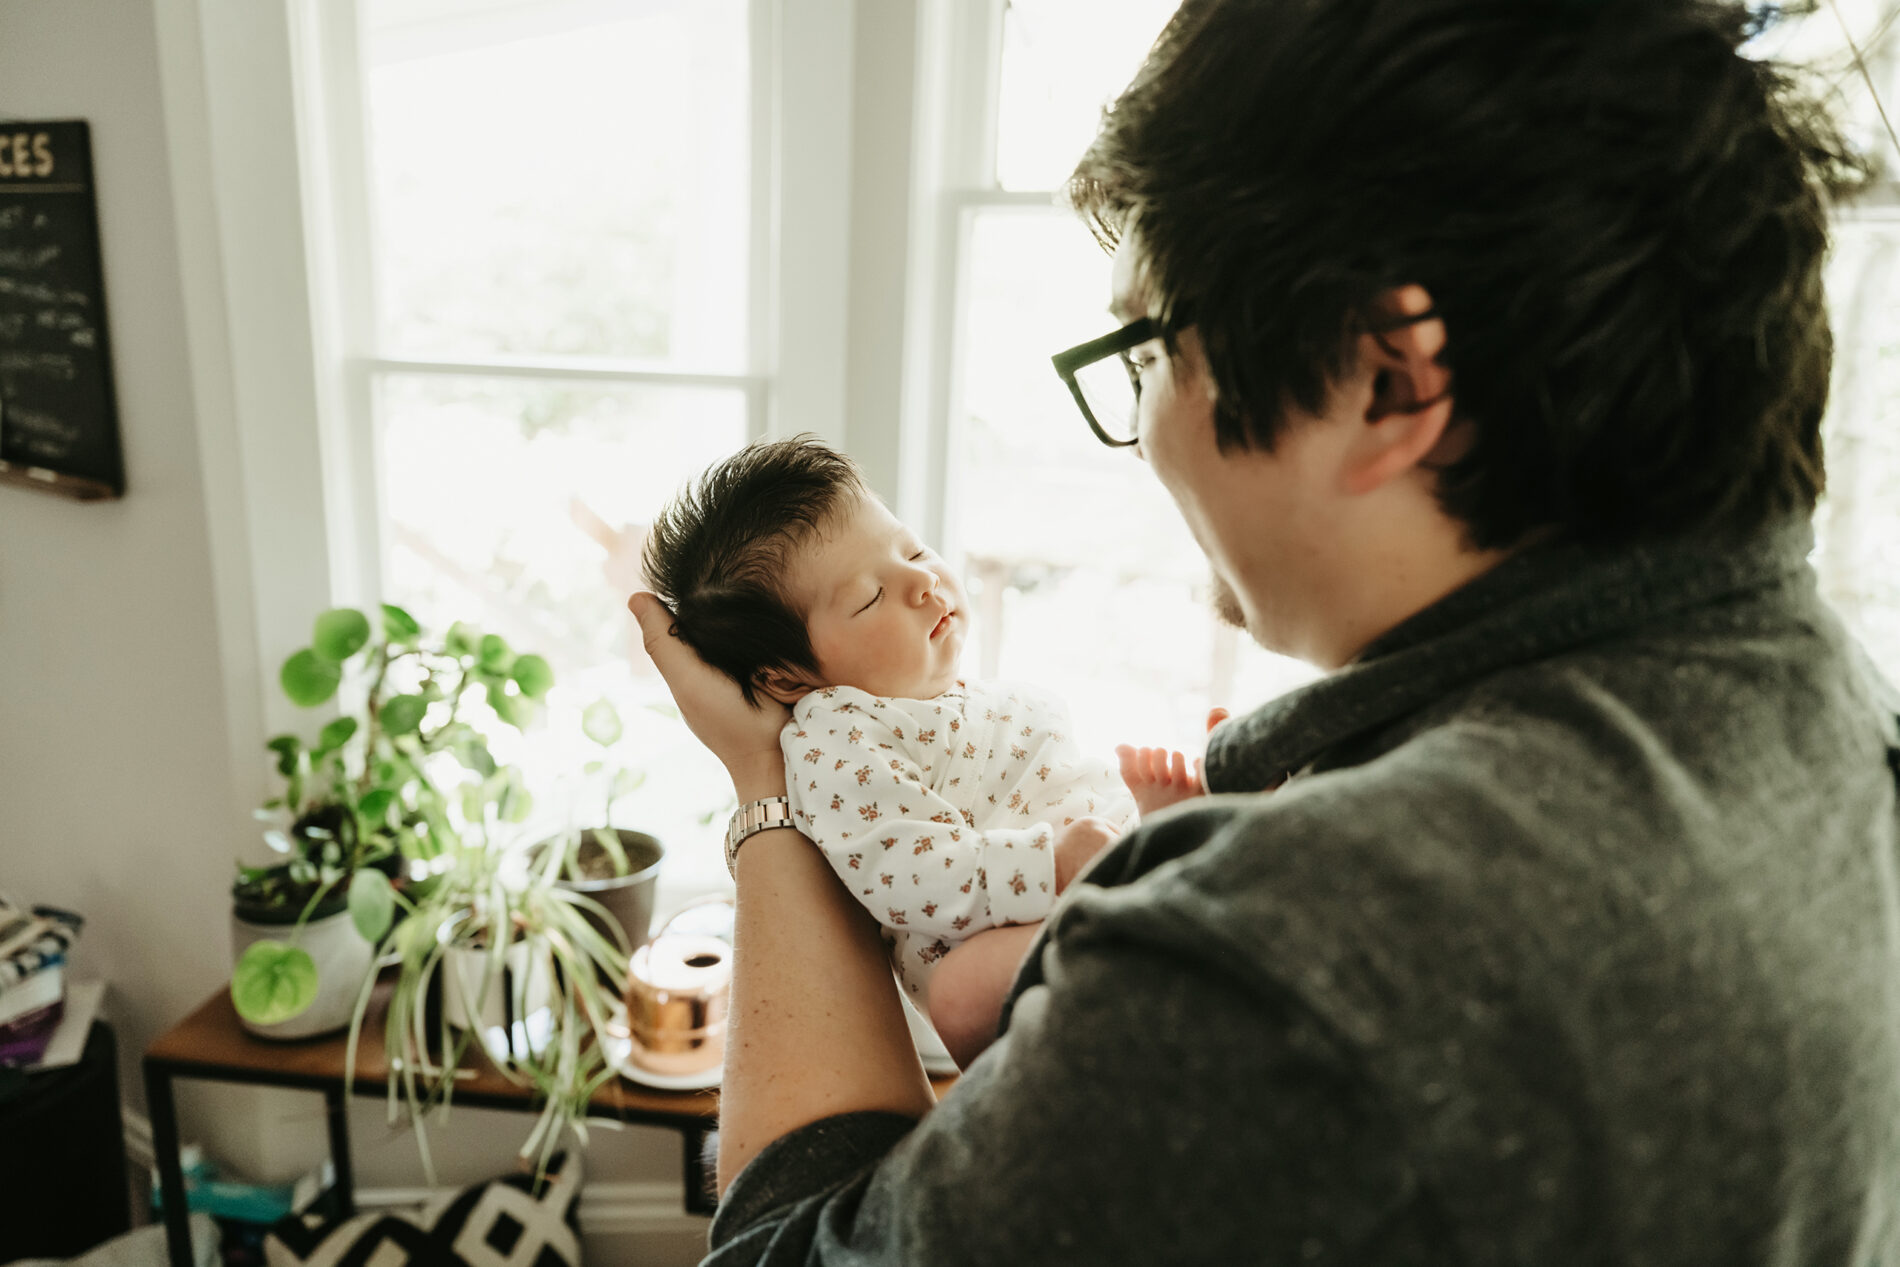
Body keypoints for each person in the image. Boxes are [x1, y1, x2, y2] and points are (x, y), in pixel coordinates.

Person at [630, 0, 1900, 1260]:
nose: (1153, 435)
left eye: (1147, 351)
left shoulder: (1300, 943)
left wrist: (765, 790)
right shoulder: (1825, 713)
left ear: (1384, 381)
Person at [640, 436, 1209, 1065]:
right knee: (965, 992)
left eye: (912, 549)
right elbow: (907, 873)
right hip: (994, 941)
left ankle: (1163, 845)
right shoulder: (836, 733)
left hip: (1082, 871)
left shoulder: (953, 695)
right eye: (869, 596)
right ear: (785, 676)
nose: (922, 580)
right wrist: (1051, 868)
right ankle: (1157, 862)